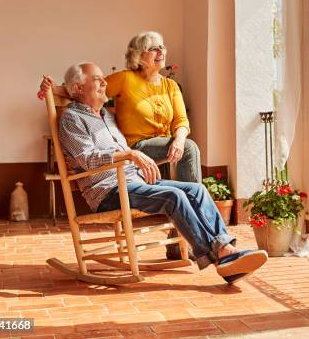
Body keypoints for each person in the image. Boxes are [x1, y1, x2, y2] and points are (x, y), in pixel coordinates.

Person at [54, 61, 267, 283]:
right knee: (173, 197)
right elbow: (87, 159)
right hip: (108, 191)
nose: (105, 82)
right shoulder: (72, 119)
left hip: (133, 180)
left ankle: (224, 248)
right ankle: (221, 258)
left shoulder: (106, 115)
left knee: (197, 190)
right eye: (97, 79)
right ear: (78, 88)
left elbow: (78, 92)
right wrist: (130, 155)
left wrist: (135, 162)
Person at [39, 31, 201, 183]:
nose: (161, 51)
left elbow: (181, 121)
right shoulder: (125, 79)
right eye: (154, 48)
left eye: (162, 47)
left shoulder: (171, 85)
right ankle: (196, 204)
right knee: (189, 148)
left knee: (184, 149)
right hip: (135, 146)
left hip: (164, 146)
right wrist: (54, 88)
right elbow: (92, 91)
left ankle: (190, 203)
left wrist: (178, 141)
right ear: (139, 56)